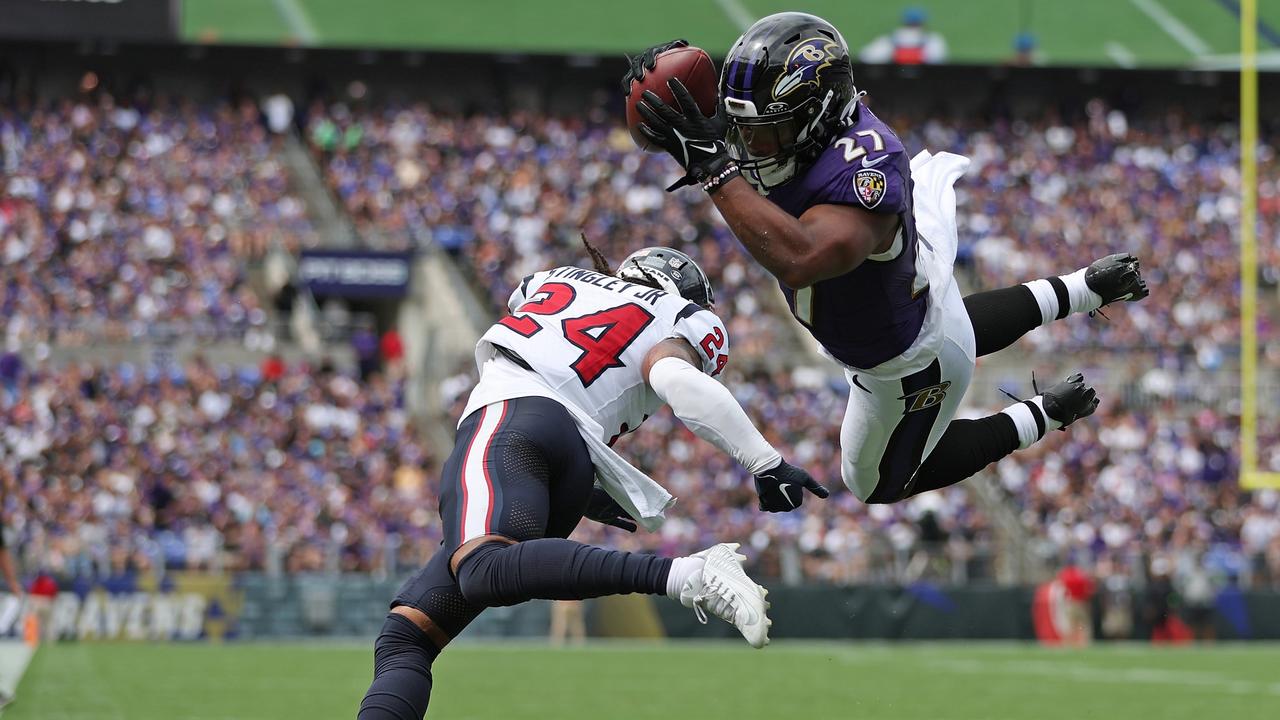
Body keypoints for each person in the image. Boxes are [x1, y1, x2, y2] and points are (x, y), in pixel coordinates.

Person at [623, 12, 1149, 508]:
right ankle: (1088, 287)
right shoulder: (805, 128)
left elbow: (801, 257)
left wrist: (715, 167)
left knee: (873, 483)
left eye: (762, 130)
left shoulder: (865, 170)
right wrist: (673, 97)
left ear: (815, 118)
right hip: (915, 301)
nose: (747, 144)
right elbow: (741, 127)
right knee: (954, 325)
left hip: (904, 366)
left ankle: (1047, 412)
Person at [357, 243, 827, 719]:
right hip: (571, 462)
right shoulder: (678, 317)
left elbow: (559, 345)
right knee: (407, 635)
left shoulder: (556, 279)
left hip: (513, 420)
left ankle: (687, 574)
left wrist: (765, 460)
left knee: (481, 569)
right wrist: (765, 463)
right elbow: (671, 377)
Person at [858, 7, 948, 65]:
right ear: (923, 24)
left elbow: (865, 57)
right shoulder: (933, 41)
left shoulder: (888, 40)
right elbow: (940, 62)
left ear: (904, 22)